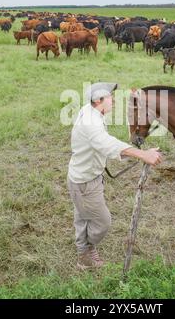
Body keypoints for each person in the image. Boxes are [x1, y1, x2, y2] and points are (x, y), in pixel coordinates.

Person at [67, 82, 163, 270]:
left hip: (85, 177)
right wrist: (144, 155)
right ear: (98, 100)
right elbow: (108, 144)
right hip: (85, 182)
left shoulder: (92, 111)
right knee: (102, 222)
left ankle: (83, 256)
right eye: (110, 97)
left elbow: (106, 144)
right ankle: (86, 250)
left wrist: (139, 153)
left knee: (83, 217)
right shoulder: (91, 123)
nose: (114, 100)